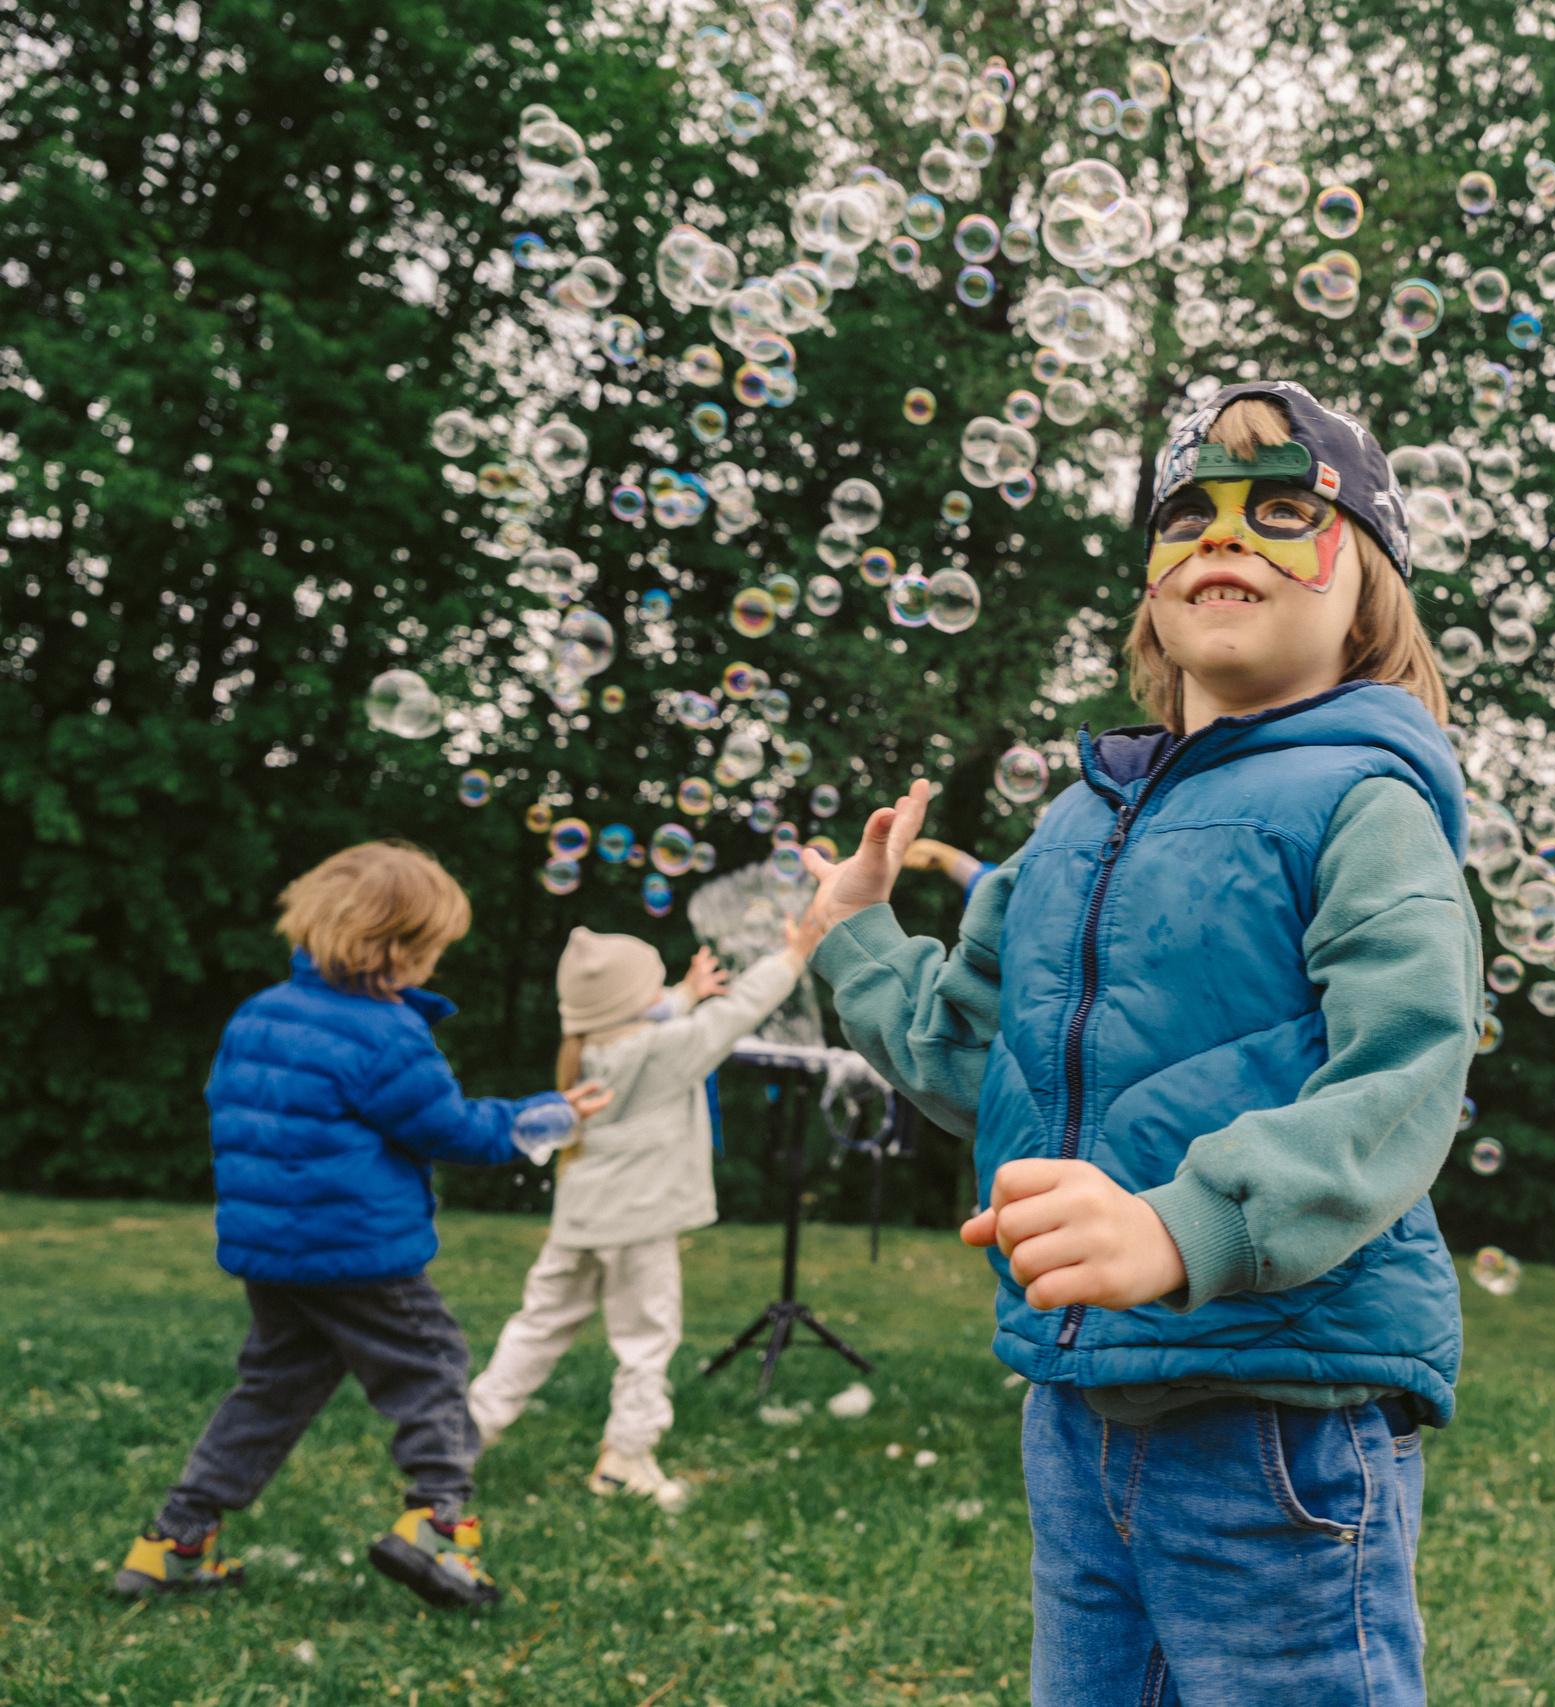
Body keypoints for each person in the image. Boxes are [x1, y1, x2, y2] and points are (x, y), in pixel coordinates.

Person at [799, 382, 1478, 1706]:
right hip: (1078, 1406)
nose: (1226, 536)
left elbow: (1403, 1072)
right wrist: (859, 936)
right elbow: (970, 1052)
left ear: (1370, 592)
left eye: (1286, 511)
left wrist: (1186, 1223)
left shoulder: (1367, 797)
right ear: (1152, 588)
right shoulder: (1073, 822)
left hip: (1278, 1402)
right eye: (1190, 515)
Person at [114, 843, 608, 1609]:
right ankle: (439, 1524)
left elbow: (236, 1109)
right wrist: (544, 1115)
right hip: (357, 1254)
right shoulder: (383, 1033)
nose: (435, 967)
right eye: (433, 951)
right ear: (399, 949)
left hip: (273, 1254)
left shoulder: (259, 1013)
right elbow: (452, 1130)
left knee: (269, 1392)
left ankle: (172, 1541)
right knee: (433, 1365)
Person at [466, 920, 824, 1509]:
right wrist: (793, 953)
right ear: (637, 1005)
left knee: (537, 1325)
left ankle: (462, 1435)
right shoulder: (663, 1051)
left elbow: (638, 1020)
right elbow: (735, 1012)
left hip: (582, 1217)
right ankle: (625, 1457)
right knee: (645, 1339)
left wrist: (682, 995)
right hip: (640, 1222)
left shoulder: (586, 1052)